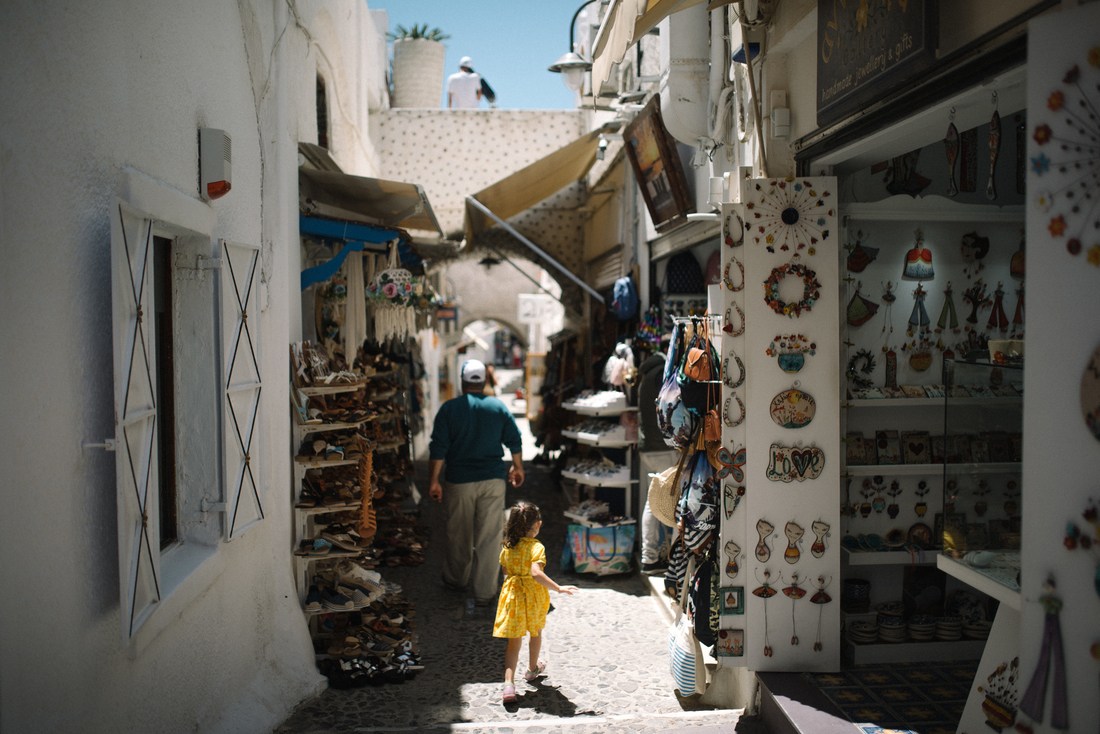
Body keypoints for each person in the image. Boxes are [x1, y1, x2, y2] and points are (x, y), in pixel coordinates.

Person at [429, 359, 524, 608]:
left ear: (462, 381)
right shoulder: (497, 407)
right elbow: (514, 439)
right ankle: (484, 592)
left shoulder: (449, 409)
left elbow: (438, 447)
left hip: (459, 481)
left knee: (458, 533)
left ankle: (456, 580)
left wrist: (434, 480)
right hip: (493, 479)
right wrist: (518, 466)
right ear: (484, 382)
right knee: (490, 537)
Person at [492, 501, 578, 704]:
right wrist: (558, 588)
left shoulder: (507, 547)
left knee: (514, 642)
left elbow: (506, 574)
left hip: (513, 596)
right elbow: (536, 573)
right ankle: (532, 669)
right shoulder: (536, 547)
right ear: (537, 524)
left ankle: (508, 685)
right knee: (535, 632)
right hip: (533, 597)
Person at [637, 348, 676, 573]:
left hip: (648, 448)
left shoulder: (646, 376)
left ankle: (653, 555)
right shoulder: (662, 372)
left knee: (654, 500)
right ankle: (653, 557)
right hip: (662, 447)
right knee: (658, 503)